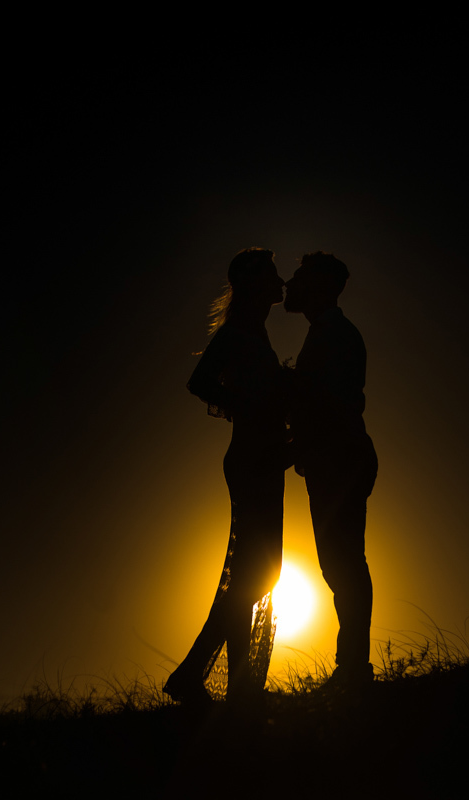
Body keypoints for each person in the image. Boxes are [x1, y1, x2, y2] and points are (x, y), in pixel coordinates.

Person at [164, 247, 289, 705]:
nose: (281, 281)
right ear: (254, 284)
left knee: (258, 572)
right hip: (251, 457)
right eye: (273, 274)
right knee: (257, 573)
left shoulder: (255, 331)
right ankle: (198, 674)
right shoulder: (238, 332)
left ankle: (234, 687)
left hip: (263, 456)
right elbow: (200, 382)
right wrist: (248, 409)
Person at [284, 251, 378, 692]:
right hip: (337, 458)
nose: (290, 284)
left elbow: (329, 403)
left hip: (340, 458)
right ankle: (353, 665)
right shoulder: (329, 333)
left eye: (300, 278)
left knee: (343, 564)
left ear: (320, 287)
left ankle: (354, 668)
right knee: (339, 564)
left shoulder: (335, 335)